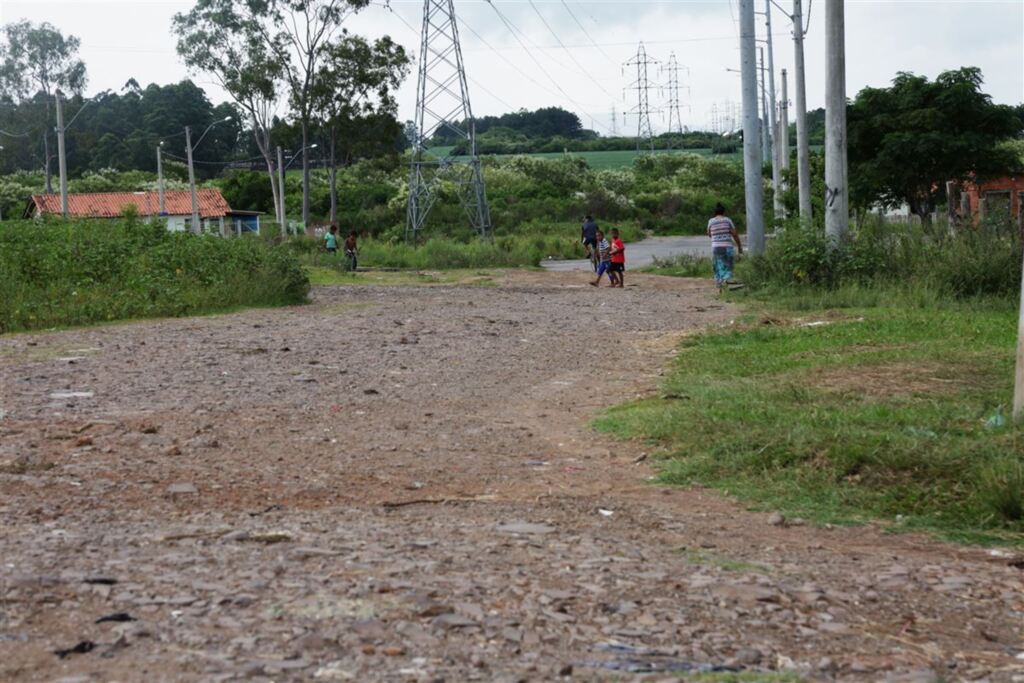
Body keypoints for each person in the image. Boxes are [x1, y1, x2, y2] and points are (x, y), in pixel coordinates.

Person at [707, 203, 743, 291]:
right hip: (727, 247)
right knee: (728, 266)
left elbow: (709, 234)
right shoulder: (727, 220)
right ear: (724, 212)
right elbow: (734, 234)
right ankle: (726, 282)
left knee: (718, 265)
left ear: (715, 212)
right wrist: (739, 247)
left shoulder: (711, 221)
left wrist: (716, 237)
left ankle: (720, 284)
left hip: (716, 248)